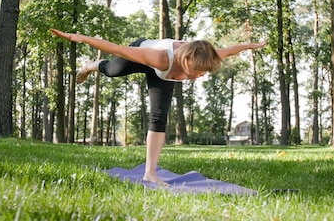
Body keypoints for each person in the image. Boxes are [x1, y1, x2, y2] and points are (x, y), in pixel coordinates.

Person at [50, 28, 267, 185]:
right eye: (197, 71)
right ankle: (91, 66)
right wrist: (79, 38)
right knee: (113, 70)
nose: (200, 76)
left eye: (203, 73)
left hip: (164, 75)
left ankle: (150, 173)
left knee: (158, 118)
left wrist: (250, 45)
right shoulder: (162, 57)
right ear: (186, 60)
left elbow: (230, 49)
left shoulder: (206, 56)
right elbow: (116, 48)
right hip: (142, 55)